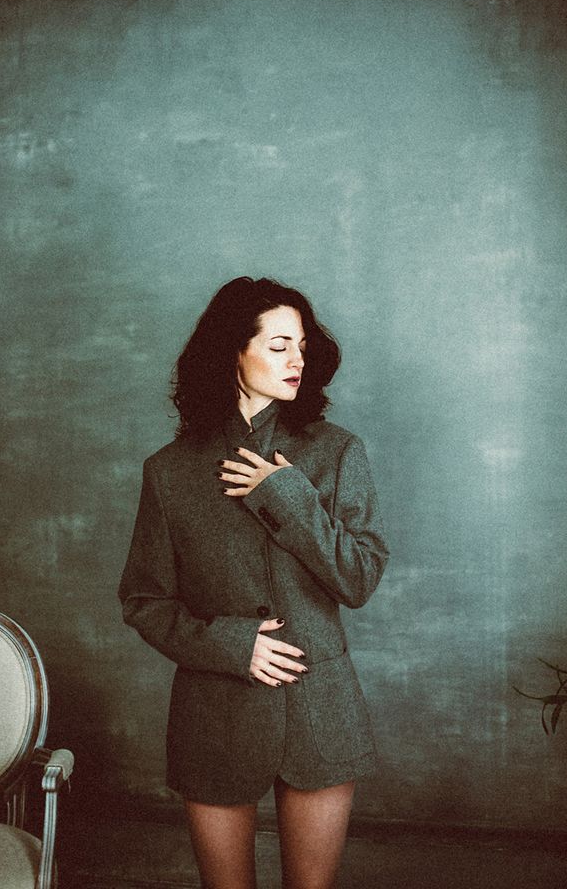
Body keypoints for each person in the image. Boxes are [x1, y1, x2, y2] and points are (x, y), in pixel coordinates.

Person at [118, 276, 389, 889]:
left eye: (302, 347)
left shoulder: (337, 453)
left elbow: (359, 578)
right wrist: (232, 644)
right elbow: (145, 601)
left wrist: (288, 496)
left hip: (320, 710)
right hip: (214, 713)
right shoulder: (170, 471)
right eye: (278, 345)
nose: (297, 361)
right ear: (232, 352)